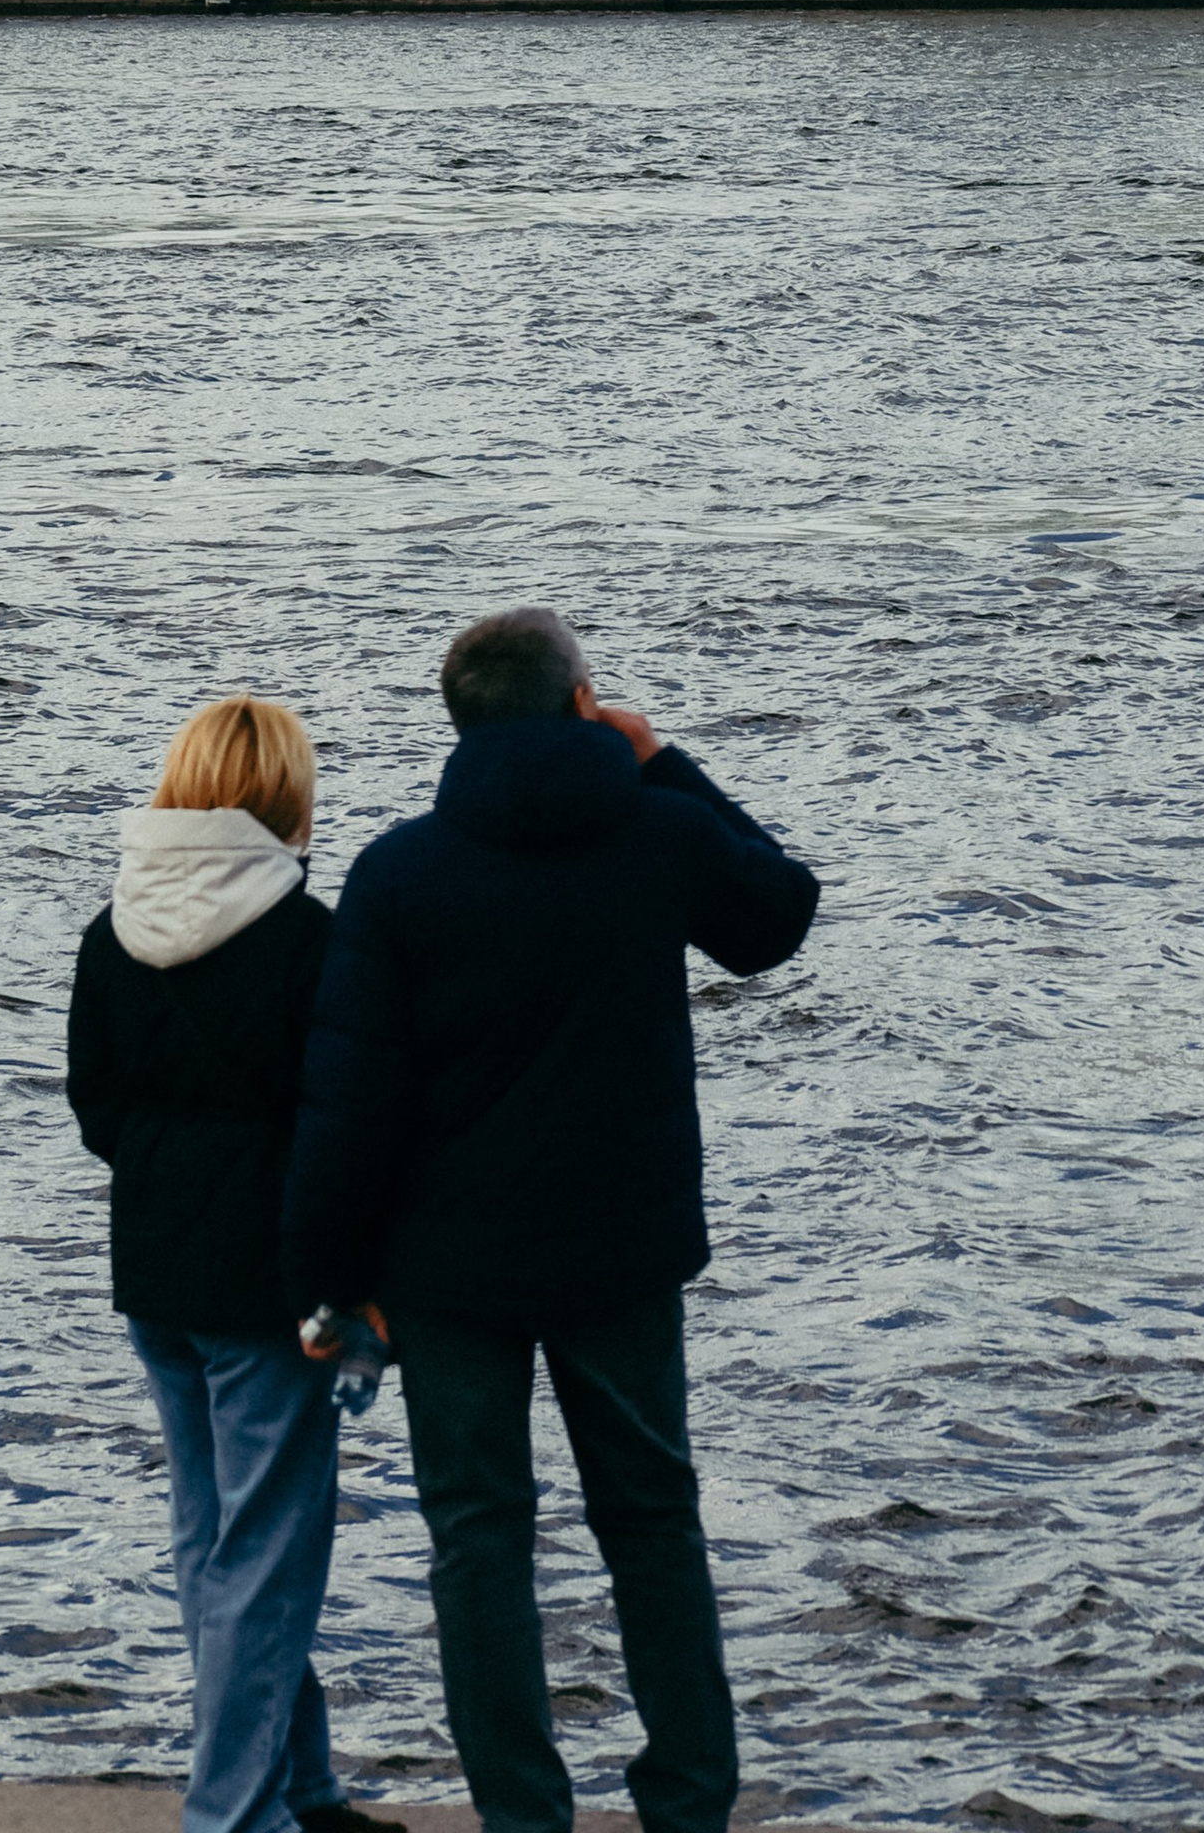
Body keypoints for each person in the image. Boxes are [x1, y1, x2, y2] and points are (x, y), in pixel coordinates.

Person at [282, 608, 820, 1833]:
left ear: (459, 723)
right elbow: (778, 916)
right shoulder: (660, 832)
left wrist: (325, 1276)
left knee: (478, 1541)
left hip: (447, 1268)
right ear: (584, 704)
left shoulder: (400, 870)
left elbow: (349, 1094)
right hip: (620, 1255)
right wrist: (665, 758)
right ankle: (686, 1803)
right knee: (651, 1524)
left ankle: (524, 1816)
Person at [67, 693, 398, 1833]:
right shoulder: (314, 940)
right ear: (286, 797)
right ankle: (233, 1815)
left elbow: (96, 1109)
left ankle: (298, 1789)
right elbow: (343, 1127)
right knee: (262, 1556)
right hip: (272, 1285)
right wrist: (355, 1279)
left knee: (219, 1545)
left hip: (155, 1271)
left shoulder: (111, 926)